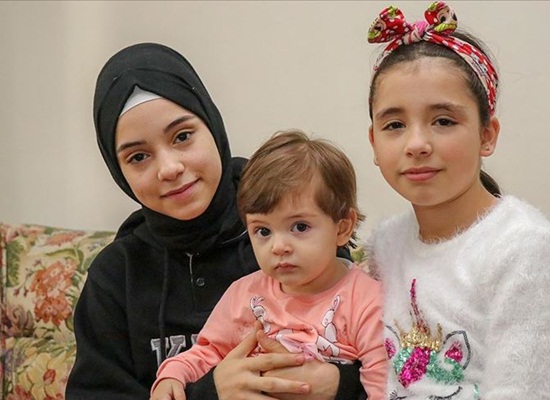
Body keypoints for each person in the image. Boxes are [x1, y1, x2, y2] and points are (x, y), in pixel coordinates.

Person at [65, 42, 367, 399]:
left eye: (182, 137)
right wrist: (209, 392)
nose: (169, 168)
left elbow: (373, 357)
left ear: (212, 126)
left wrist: (338, 384)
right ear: (119, 171)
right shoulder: (116, 276)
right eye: (139, 157)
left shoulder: (291, 229)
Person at [364, 2, 550, 399]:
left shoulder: (526, 250)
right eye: (395, 124)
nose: (416, 144)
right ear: (374, 142)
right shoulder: (385, 246)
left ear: (487, 134)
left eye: (443, 121)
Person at [150, 130, 387, 400]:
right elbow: (209, 351)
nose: (278, 246)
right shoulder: (245, 293)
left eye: (300, 227)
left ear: (342, 228)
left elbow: (384, 386)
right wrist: (173, 374)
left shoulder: (366, 301)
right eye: (263, 231)